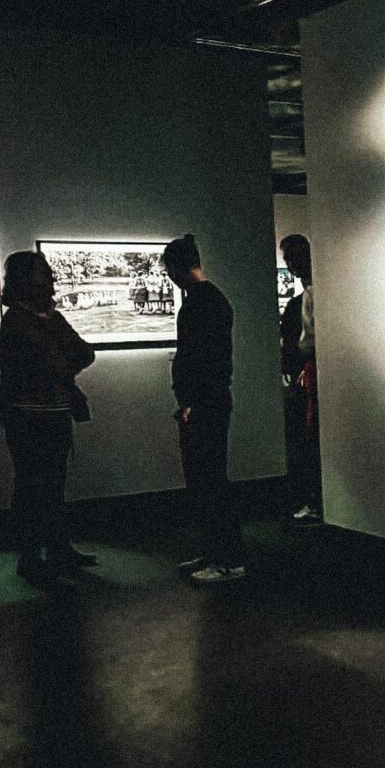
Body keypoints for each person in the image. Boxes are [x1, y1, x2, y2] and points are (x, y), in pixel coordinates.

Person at [0, 251, 97, 587]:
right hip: (28, 418)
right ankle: (31, 558)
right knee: (32, 487)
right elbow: (51, 362)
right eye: (44, 274)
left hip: (50, 413)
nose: (52, 278)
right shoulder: (19, 321)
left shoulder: (48, 319)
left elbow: (83, 353)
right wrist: (61, 367)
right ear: (27, 280)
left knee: (52, 486)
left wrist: (59, 367)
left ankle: (56, 550)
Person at [164, 233, 245, 583]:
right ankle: (216, 553)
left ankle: (227, 559)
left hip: (204, 404)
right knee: (207, 482)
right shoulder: (209, 300)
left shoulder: (202, 303)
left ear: (176, 267)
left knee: (209, 482)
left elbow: (203, 361)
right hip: (206, 402)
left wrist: (191, 403)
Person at [280, 233, 321, 523]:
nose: (292, 265)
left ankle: (316, 500)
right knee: (306, 434)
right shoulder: (303, 298)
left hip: (313, 368)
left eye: (295, 258)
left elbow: (305, 341)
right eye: (288, 260)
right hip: (307, 369)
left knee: (311, 433)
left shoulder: (313, 294)